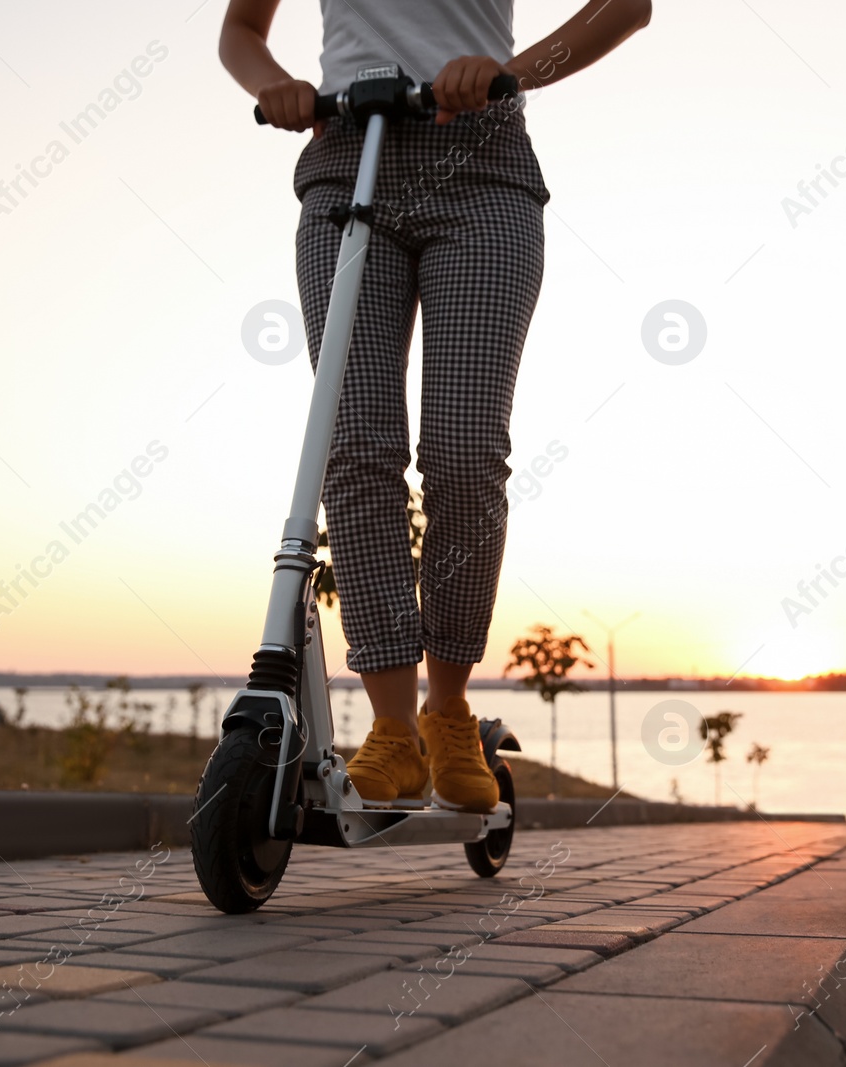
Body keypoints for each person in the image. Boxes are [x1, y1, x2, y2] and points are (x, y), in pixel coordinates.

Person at [220, 0, 651, 812]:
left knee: (462, 451)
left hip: (482, 167)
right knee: (355, 450)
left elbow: (628, 7)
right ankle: (391, 726)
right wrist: (277, 85)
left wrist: (509, 77)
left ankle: (447, 709)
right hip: (349, 157)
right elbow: (241, 29)